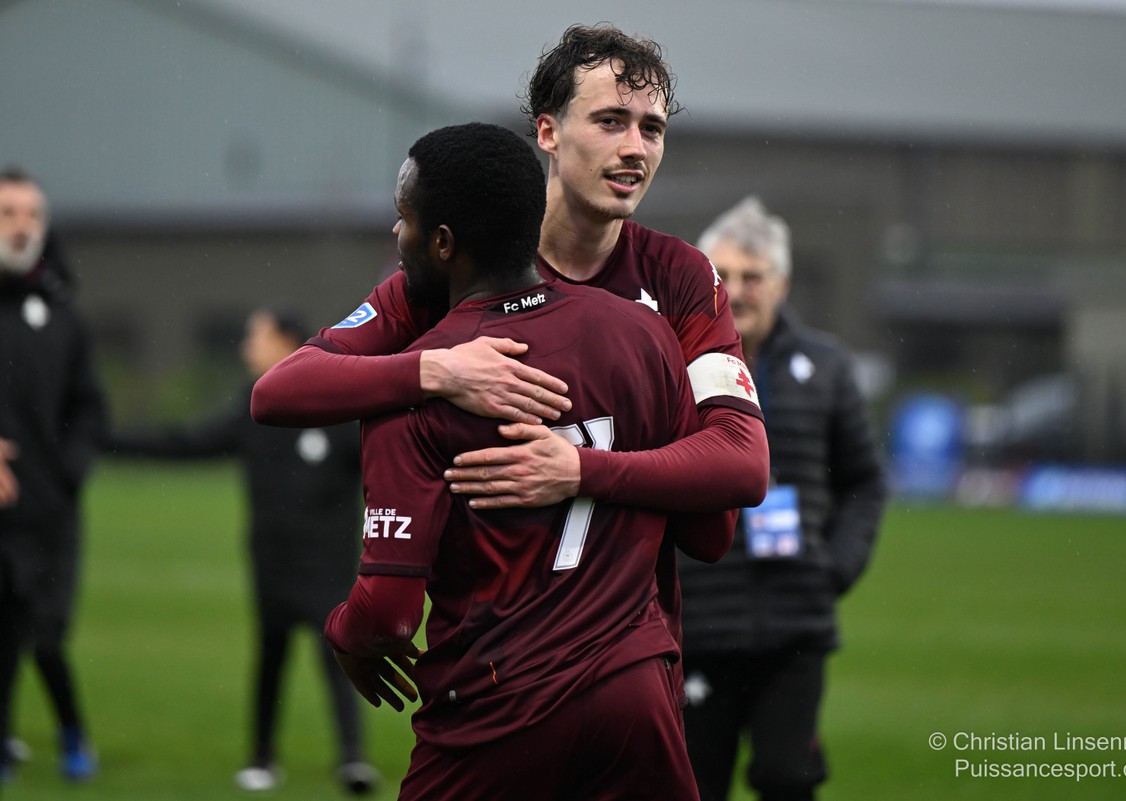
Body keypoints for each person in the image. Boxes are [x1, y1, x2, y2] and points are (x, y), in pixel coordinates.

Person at [252, 25, 769, 694]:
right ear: (547, 131)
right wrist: (435, 371)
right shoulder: (462, 266)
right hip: (493, 672)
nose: (635, 148)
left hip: (620, 668)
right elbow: (281, 391)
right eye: (611, 121)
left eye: (652, 128)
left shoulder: (681, 279)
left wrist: (580, 470)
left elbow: (740, 466)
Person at [327, 120, 729, 801]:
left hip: (497, 704)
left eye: (404, 219)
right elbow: (711, 532)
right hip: (636, 698)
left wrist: (345, 632)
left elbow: (389, 614)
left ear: (443, 243)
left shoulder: (411, 385)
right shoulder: (645, 334)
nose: (396, 234)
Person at [108, 306, 379, 795]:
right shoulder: (253, 408)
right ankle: (261, 758)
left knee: (338, 655)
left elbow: (382, 463)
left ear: (288, 343)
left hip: (329, 564)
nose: (246, 346)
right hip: (273, 560)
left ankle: (352, 759)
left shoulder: (336, 406)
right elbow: (189, 442)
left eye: (257, 336)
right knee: (271, 655)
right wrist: (108, 440)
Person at [678, 197, 887, 801]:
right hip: (697, 621)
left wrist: (835, 568)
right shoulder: (671, 362)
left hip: (795, 622)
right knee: (691, 787)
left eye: (753, 276)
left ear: (783, 284)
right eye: (722, 274)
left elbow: (865, 482)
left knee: (787, 780)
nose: (736, 290)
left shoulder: (827, 367)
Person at [0, 167, 108, 784]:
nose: (22, 226)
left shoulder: (63, 315)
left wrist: (67, 473)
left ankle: (72, 735)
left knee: (45, 636)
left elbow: (90, 409)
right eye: (8, 213)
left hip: (47, 514)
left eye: (32, 215)